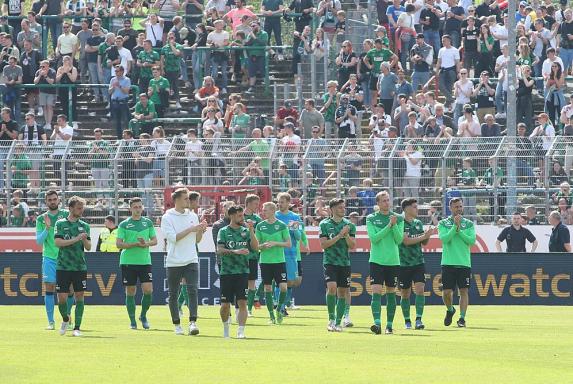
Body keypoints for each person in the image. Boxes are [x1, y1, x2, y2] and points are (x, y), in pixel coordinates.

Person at [161, 189, 208, 335]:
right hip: (174, 261)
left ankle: (193, 323)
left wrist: (200, 230)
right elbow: (173, 238)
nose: (188, 201)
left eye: (188, 198)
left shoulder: (193, 215)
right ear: (177, 200)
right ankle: (177, 325)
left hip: (191, 259)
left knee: (192, 290)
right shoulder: (167, 217)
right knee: (173, 294)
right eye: (185, 199)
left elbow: (197, 240)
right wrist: (192, 229)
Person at [217, 205, 259, 339]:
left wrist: (251, 230)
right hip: (227, 272)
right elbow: (219, 250)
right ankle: (225, 329)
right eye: (240, 216)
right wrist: (235, 251)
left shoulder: (245, 231)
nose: (243, 218)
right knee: (225, 305)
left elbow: (255, 247)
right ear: (232, 216)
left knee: (242, 303)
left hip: (242, 272)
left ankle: (241, 331)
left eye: (243, 216)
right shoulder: (223, 231)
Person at [116, 198, 158, 330]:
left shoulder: (148, 223)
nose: (138, 209)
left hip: (144, 262)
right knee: (131, 291)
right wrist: (135, 244)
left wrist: (146, 244)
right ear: (130, 209)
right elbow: (118, 244)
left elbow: (155, 241)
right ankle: (132, 321)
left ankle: (143, 316)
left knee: (148, 290)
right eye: (135, 207)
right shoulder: (124, 224)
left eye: (140, 207)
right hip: (128, 262)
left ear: (143, 208)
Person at [366, 190, 404, 335]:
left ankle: (389, 325)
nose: (387, 203)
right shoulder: (371, 218)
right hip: (376, 260)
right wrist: (389, 225)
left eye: (388, 200)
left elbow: (399, 240)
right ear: (378, 203)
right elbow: (374, 238)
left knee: (391, 293)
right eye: (383, 200)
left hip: (393, 261)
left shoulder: (398, 218)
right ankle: (377, 323)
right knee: (376, 292)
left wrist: (393, 225)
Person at [54, 196, 91, 337]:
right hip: (63, 266)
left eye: (82, 208)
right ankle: (65, 319)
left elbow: (88, 247)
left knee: (80, 296)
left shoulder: (84, 226)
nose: (81, 211)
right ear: (70, 208)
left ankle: (77, 327)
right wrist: (76, 239)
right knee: (62, 298)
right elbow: (58, 243)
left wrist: (84, 239)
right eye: (79, 208)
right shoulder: (60, 223)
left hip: (79, 266)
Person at [319, 198, 356, 332]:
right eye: (340, 207)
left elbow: (352, 246)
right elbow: (323, 245)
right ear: (332, 209)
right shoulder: (324, 224)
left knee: (342, 292)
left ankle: (338, 322)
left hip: (344, 262)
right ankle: (331, 319)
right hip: (330, 261)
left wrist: (345, 236)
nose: (343, 209)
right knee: (332, 288)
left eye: (343, 207)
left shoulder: (349, 225)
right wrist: (339, 235)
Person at [438, 197, 475, 328]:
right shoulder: (443, 223)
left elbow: (471, 241)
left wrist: (458, 230)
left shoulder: (469, 224)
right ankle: (450, 310)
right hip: (448, 263)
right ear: (450, 208)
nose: (459, 209)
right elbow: (445, 239)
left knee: (464, 291)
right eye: (456, 207)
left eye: (460, 206)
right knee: (447, 292)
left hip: (464, 263)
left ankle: (462, 318)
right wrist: (455, 226)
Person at [399, 198, 436, 330]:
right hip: (403, 263)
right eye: (414, 207)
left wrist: (428, 235)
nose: (417, 209)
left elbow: (424, 243)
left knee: (420, 290)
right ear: (407, 208)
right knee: (405, 293)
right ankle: (407, 320)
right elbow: (406, 241)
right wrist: (424, 236)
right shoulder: (400, 222)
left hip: (418, 262)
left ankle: (419, 319)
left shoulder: (418, 223)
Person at [36, 191, 70, 330]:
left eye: (54, 199)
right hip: (49, 258)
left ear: (59, 200)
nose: (52, 201)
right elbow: (39, 241)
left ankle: (67, 319)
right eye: (50, 199)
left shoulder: (66, 215)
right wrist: (47, 227)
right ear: (46, 201)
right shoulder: (41, 219)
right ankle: (51, 322)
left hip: (65, 258)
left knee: (69, 290)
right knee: (49, 288)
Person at [255, 201, 291, 324]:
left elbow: (288, 243)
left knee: (283, 287)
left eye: (265, 210)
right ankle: (271, 316)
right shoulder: (260, 226)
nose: (262, 212)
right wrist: (262, 246)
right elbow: (256, 246)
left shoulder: (281, 225)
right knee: (268, 288)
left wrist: (275, 243)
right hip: (265, 262)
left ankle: (280, 308)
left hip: (279, 261)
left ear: (272, 211)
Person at [275, 192, 302, 316]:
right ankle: (279, 306)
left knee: (290, 282)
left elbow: (298, 237)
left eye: (282, 202)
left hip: (291, 253)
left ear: (288, 203)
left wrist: (294, 228)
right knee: (280, 281)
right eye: (279, 202)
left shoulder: (295, 217)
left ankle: (283, 305)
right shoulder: (274, 216)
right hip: (277, 252)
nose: (280, 204)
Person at [243, 194, 263, 315]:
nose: (257, 206)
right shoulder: (239, 216)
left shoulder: (258, 219)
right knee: (241, 283)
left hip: (253, 256)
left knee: (251, 282)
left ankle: (248, 309)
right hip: (240, 256)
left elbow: (260, 235)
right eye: (256, 203)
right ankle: (240, 307)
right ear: (249, 203)